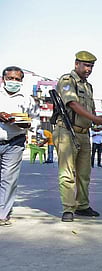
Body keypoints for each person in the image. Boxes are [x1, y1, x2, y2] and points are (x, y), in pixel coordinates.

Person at [53, 51, 102, 222]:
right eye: (86, 65)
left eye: (91, 66)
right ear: (77, 64)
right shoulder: (67, 80)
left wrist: (98, 120)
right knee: (67, 172)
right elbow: (73, 104)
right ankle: (68, 208)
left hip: (84, 133)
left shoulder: (88, 86)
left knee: (84, 173)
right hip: (67, 131)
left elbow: (91, 110)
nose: (89, 69)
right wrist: (94, 118)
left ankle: (82, 205)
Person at [0, 66, 38, 226]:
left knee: (9, 179)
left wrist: (26, 124)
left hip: (15, 142)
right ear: (3, 79)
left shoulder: (28, 99)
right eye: (10, 78)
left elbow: (35, 120)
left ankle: (2, 214)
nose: (14, 82)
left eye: (17, 79)